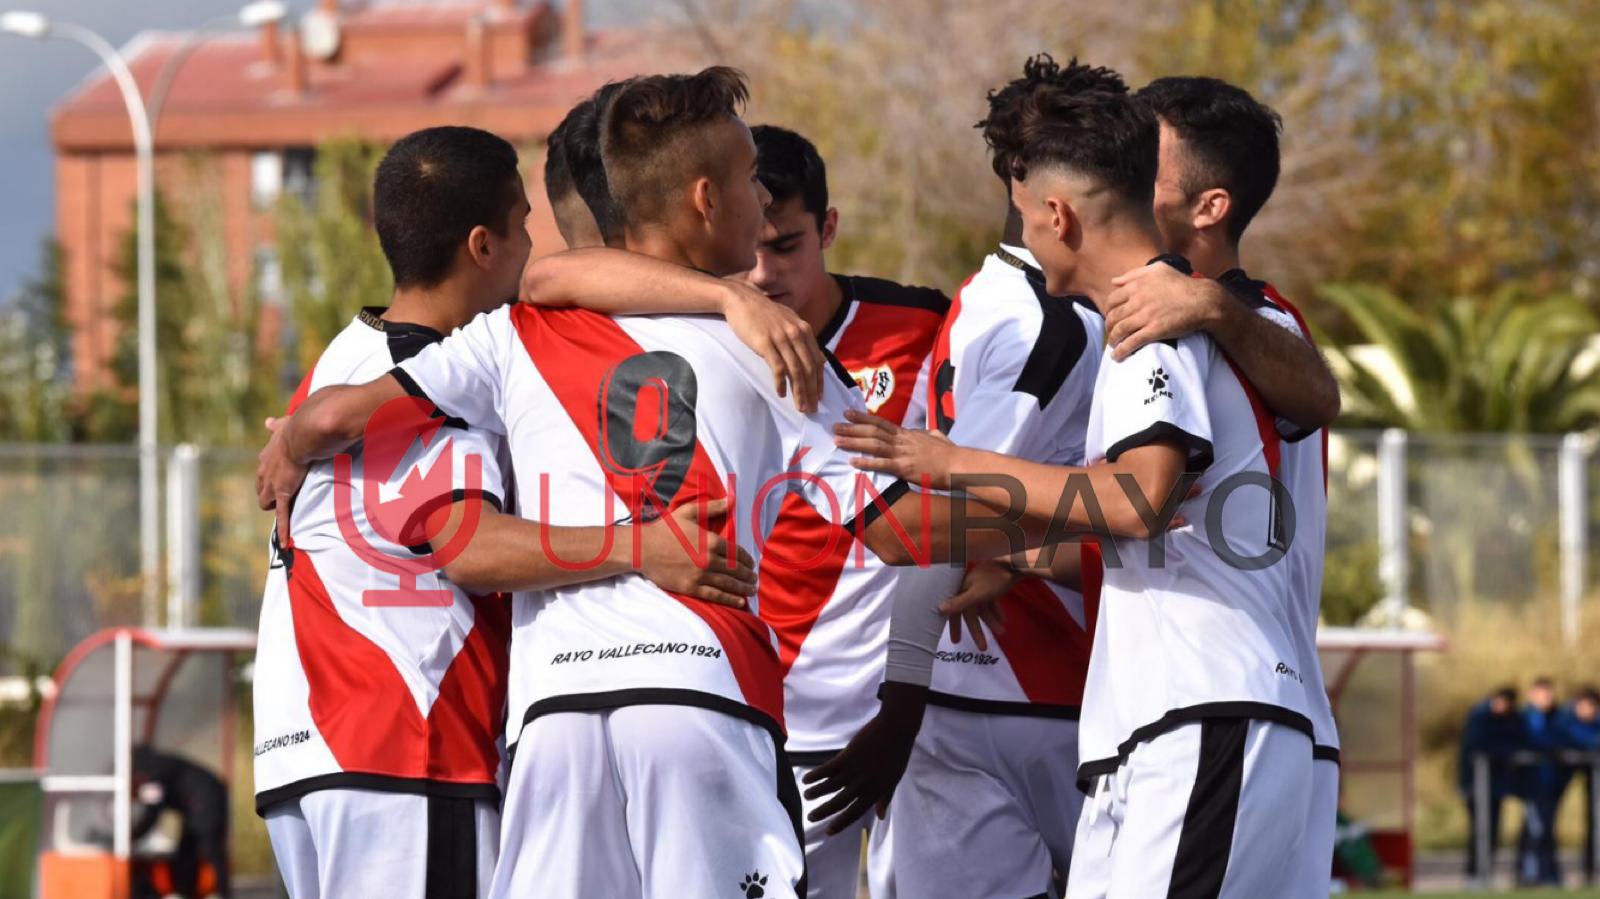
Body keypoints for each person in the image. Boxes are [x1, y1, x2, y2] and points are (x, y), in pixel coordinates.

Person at [258, 68, 1053, 898]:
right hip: (699, 694)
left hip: (555, 718)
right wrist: (1085, 515)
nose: (761, 200)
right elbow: (899, 528)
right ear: (707, 199)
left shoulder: (516, 330)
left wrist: (291, 445)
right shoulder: (775, 346)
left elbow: (337, 415)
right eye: (751, 179)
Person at [838, 56, 1316, 898]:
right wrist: (1018, 552)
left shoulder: (1154, 318)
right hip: (1168, 719)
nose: (1022, 238)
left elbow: (1139, 497)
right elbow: (1158, 527)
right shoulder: (1166, 313)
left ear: (1056, 215)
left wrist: (951, 465)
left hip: (1205, 708)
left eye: (1024, 218)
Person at [252, 125, 746, 899]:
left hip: (308, 752)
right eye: (523, 227)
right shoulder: (434, 388)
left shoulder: (340, 363)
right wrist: (644, 545)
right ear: (483, 246)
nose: (534, 251)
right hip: (408, 749)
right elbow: (471, 548)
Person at [522, 121, 962, 899]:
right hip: (739, 699)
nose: (764, 269)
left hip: (876, 713)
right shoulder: (713, 334)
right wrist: (1086, 514)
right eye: (753, 238)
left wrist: (906, 697)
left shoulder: (922, 324)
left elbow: (926, 523)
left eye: (785, 243)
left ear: (827, 229)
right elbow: (548, 277)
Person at [1124, 74, 1343, 899]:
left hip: (1237, 713)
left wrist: (1211, 306)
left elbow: (1319, 396)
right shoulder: (1148, 316)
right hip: (1215, 719)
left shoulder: (1261, 321)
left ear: (1210, 206)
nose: (1116, 170)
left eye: (1142, 159)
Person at [130, 746, 230, 899]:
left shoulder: (150, 771)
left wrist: (134, 835)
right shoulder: (154, 765)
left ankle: (222, 893)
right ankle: (187, 892)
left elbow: (153, 811)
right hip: (203, 799)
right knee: (188, 849)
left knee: (210, 848)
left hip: (205, 800)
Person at [1458, 686, 1526, 885]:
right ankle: (1473, 874)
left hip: (1496, 785)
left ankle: (1486, 873)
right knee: (1479, 829)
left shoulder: (1513, 719)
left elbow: (1518, 741)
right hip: (1474, 784)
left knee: (1493, 829)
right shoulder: (1479, 717)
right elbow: (1478, 745)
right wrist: (1504, 752)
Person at [1519, 676, 1563, 886]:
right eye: (1543, 694)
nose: (1548, 698)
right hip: (1532, 784)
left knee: (1547, 830)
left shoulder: (1554, 717)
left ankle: (1548, 874)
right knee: (1535, 830)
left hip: (1550, 783)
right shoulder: (1526, 718)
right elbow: (1535, 741)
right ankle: (1530, 874)